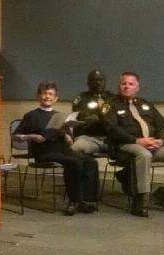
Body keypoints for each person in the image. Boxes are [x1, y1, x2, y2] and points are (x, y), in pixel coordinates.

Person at [104, 72, 164, 216]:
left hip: (152, 145)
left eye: (131, 84)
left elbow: (163, 126)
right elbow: (111, 129)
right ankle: (140, 200)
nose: (126, 86)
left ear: (137, 87)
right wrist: (137, 141)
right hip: (125, 145)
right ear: (119, 86)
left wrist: (161, 140)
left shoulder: (145, 104)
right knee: (144, 155)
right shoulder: (110, 105)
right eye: (123, 83)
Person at [13, 81, 99, 215]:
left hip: (63, 150)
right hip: (44, 151)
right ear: (38, 96)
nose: (47, 97)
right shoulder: (31, 115)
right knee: (73, 162)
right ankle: (74, 201)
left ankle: (87, 200)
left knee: (91, 162)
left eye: (51, 94)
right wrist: (31, 136)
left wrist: (67, 136)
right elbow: (16, 136)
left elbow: (70, 142)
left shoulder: (60, 116)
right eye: (44, 93)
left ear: (56, 98)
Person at [69, 69, 115, 157]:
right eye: (94, 80)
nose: (98, 83)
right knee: (76, 148)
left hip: (110, 139)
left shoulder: (112, 98)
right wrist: (103, 119)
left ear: (105, 82)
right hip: (90, 138)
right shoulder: (82, 98)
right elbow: (86, 118)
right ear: (88, 83)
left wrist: (99, 119)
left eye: (100, 80)